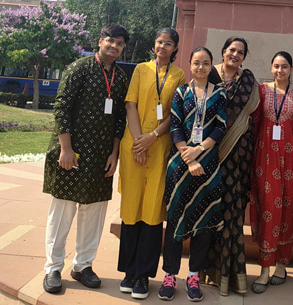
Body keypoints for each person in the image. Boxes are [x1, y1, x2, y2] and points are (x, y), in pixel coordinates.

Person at [42, 23, 130, 294]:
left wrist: (114, 154)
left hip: (101, 157)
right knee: (63, 211)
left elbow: (119, 120)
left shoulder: (121, 77)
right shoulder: (79, 68)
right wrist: (66, 149)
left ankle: (83, 265)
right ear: (100, 41)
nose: (114, 46)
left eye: (119, 43)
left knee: (94, 213)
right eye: (110, 40)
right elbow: (62, 107)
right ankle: (53, 267)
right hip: (72, 153)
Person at [117, 28, 185, 299]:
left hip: (159, 146)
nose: (163, 47)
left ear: (175, 47)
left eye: (168, 43)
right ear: (153, 44)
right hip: (133, 145)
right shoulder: (140, 70)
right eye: (159, 42)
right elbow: (130, 105)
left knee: (153, 210)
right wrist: (138, 141)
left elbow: (174, 114)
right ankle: (128, 271)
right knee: (132, 207)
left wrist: (152, 137)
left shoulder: (179, 75)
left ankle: (143, 275)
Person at [158, 47, 227, 302]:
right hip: (180, 162)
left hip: (208, 164)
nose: (200, 67)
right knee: (176, 220)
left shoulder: (219, 93)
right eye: (196, 63)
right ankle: (169, 275)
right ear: (189, 64)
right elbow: (174, 124)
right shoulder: (181, 92)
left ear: (212, 67)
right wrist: (187, 155)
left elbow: (221, 126)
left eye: (206, 63)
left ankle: (194, 275)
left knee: (204, 221)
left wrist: (199, 151)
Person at [200, 37, 259, 295]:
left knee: (234, 215)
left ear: (244, 57)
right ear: (223, 52)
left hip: (239, 157)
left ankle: (232, 275)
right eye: (231, 50)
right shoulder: (208, 76)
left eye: (240, 52)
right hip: (210, 154)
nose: (235, 54)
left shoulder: (249, 82)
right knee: (212, 212)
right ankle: (208, 271)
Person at [250, 51, 293, 294]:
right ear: (271, 68)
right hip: (265, 158)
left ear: (292, 70)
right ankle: (264, 268)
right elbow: (255, 122)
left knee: (288, 209)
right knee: (268, 209)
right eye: (276, 66)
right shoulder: (261, 91)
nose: (280, 70)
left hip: (291, 159)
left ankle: (281, 265)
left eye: (284, 67)